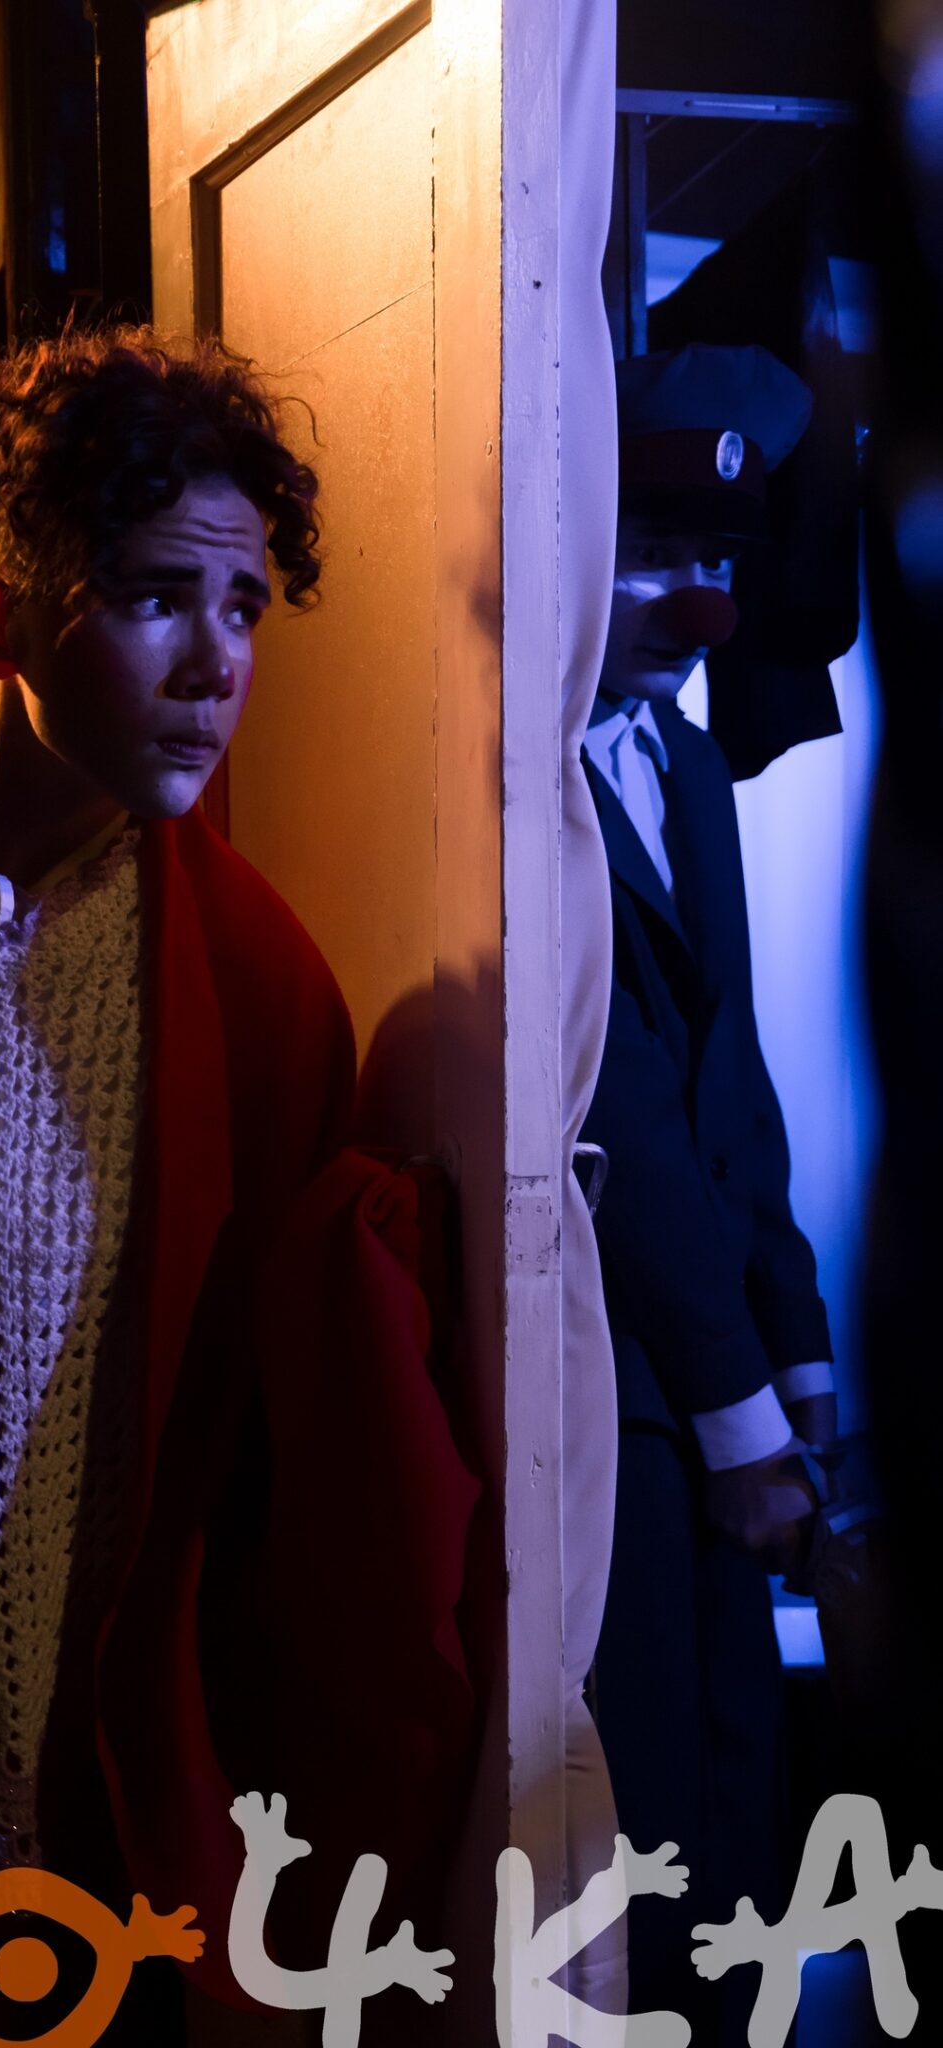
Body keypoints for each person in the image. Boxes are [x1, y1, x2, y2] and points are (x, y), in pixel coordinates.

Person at [0, 327, 477, 2037]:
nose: (215, 665)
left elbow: (270, 1480)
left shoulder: (255, 980)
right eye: (158, 598)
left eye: (243, 609)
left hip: (93, 1789)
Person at [579, 344, 838, 2043]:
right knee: (650, 1794)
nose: (696, 602)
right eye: (655, 554)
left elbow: (729, 1079)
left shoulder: (677, 768)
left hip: (728, 1376)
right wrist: (743, 1419)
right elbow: (618, 1115)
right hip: (617, 1378)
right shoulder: (525, 779)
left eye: (718, 560)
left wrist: (799, 1350)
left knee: (744, 1781)